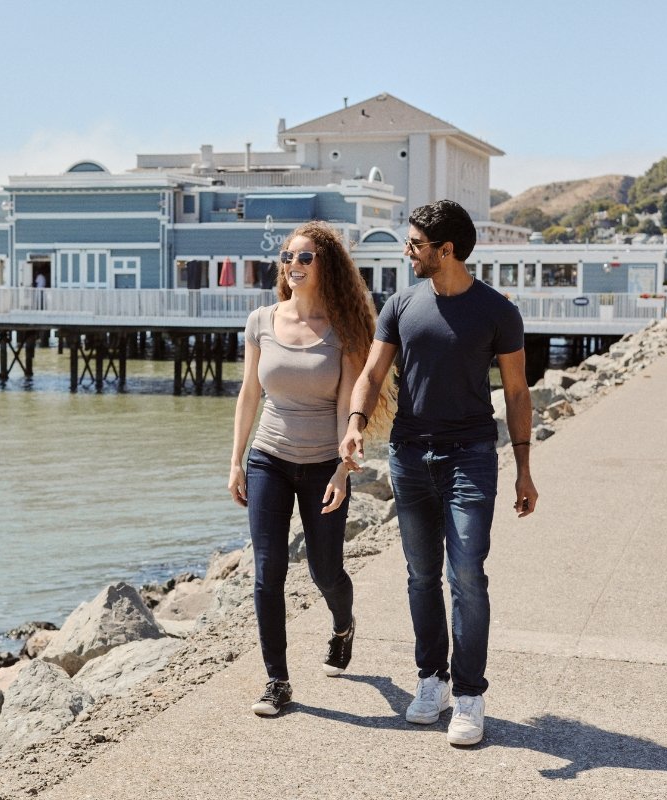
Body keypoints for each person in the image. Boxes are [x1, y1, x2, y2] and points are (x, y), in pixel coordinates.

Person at [339, 200, 538, 747]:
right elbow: (373, 373)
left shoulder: (498, 311)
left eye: (415, 243)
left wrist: (523, 468)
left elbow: (518, 394)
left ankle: (470, 694)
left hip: (471, 455)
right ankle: (432, 680)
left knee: (467, 572)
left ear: (444, 250)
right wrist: (356, 422)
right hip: (408, 455)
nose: (408, 250)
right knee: (421, 574)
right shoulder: (401, 304)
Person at [228, 220, 377, 717]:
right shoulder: (261, 320)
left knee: (325, 570)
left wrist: (342, 468)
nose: (294, 265)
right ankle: (277, 680)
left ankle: (343, 623)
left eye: (305, 257)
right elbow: (250, 393)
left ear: (325, 265)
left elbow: (346, 406)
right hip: (269, 457)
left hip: (321, 467)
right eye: (288, 257)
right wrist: (236, 461)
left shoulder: (345, 330)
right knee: (267, 572)